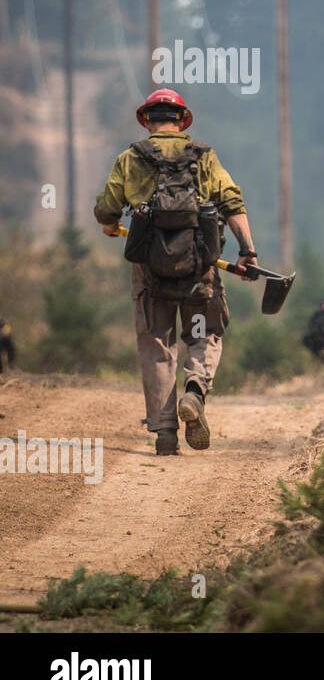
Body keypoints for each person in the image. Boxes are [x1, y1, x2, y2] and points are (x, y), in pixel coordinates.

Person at [93, 88, 258, 455]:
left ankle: (165, 433)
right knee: (203, 333)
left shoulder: (130, 158)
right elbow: (232, 203)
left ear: (147, 120)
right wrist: (248, 252)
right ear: (182, 120)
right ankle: (195, 391)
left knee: (157, 343)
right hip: (200, 267)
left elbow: (106, 209)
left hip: (150, 270)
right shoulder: (204, 156)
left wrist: (109, 223)